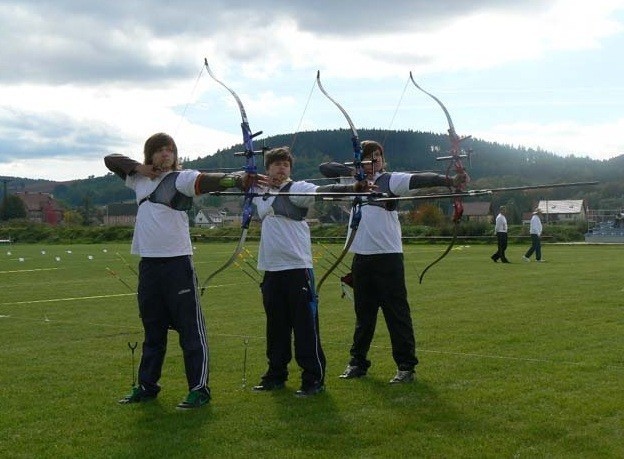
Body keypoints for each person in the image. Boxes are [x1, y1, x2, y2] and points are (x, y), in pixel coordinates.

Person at [105, 132, 260, 409]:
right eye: (160, 150)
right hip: (149, 265)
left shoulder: (183, 178)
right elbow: (110, 160)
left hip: (177, 264)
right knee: (153, 331)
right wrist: (140, 168)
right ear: (150, 155)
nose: (166, 154)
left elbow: (207, 180)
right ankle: (147, 385)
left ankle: (199, 389)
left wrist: (236, 180)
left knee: (190, 331)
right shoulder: (139, 180)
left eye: (170, 150)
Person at [320, 140, 467, 384]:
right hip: (362, 257)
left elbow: (420, 179)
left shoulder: (391, 180)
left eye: (378, 156)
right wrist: (354, 172)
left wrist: (449, 180)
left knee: (396, 314)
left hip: (388, 257)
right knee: (363, 315)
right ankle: (357, 363)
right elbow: (325, 167)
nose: (375, 160)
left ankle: (406, 367)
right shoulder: (352, 182)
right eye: (368, 157)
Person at [251, 146, 369, 396]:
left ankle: (313, 378)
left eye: (286, 164)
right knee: (276, 327)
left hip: (297, 268)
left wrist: (351, 188)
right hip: (271, 269)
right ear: (267, 168)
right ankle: (276, 373)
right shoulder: (260, 191)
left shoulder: (297, 188)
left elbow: (322, 191)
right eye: (276, 164)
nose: (281, 168)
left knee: (305, 327)